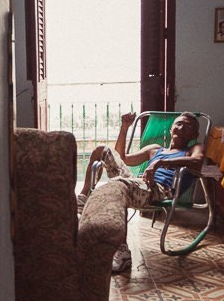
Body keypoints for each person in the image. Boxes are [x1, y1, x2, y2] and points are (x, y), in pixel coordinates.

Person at [76, 112, 205, 273]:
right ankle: (82, 200)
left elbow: (197, 161)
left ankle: (122, 252)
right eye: (178, 124)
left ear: (195, 134)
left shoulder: (192, 149)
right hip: (139, 184)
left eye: (188, 126)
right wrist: (124, 129)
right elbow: (123, 158)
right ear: (171, 128)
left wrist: (160, 163)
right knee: (101, 150)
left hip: (159, 190)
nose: (181, 127)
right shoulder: (155, 149)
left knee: (118, 188)